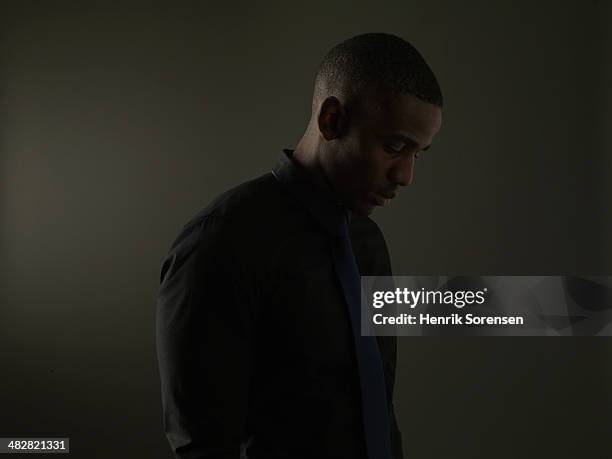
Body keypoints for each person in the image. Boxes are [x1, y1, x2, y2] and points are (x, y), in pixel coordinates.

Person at [155, 32, 443, 459]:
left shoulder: (368, 242)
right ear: (332, 120)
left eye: (418, 154)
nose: (406, 176)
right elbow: (203, 445)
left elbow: (374, 408)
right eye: (395, 146)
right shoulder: (221, 242)